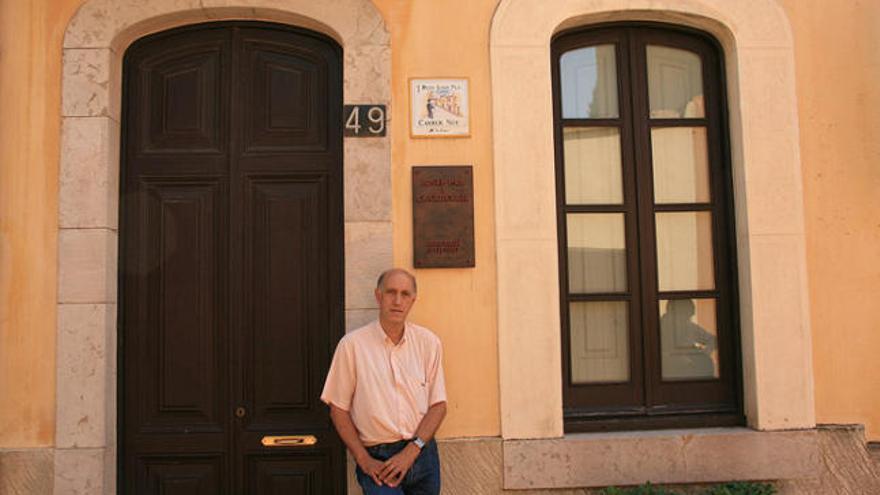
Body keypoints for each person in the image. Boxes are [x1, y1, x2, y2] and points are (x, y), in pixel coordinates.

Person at [321, 268, 447, 494]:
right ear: (378, 296)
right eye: (391, 292)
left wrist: (411, 451)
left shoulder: (429, 343)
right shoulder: (352, 346)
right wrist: (363, 459)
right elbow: (338, 408)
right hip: (378, 462)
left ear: (413, 300)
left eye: (405, 294)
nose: (397, 301)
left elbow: (438, 406)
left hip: (422, 455)